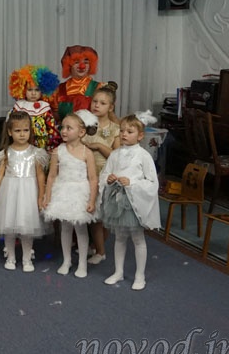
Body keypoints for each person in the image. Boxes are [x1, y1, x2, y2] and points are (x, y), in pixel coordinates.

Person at [99, 113, 161, 291]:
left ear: (140, 136)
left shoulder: (143, 156)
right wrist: (109, 178)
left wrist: (132, 182)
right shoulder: (115, 154)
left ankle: (140, 275)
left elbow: (152, 182)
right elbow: (105, 173)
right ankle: (118, 271)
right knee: (119, 237)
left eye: (129, 131)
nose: (124, 134)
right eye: (122, 131)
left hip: (134, 203)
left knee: (138, 238)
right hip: (117, 201)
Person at [0, 112, 49, 272]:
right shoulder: (6, 153)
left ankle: (27, 258)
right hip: (9, 193)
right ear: (9, 132)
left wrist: (41, 195)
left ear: (30, 131)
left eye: (26, 130)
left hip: (29, 193)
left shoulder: (35, 152)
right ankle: (11, 256)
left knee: (27, 226)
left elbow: (40, 175)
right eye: (18, 131)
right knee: (9, 226)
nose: (22, 134)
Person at [42, 111, 99, 278]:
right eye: (62, 127)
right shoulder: (58, 151)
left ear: (81, 132)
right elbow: (52, 176)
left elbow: (93, 178)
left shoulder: (87, 153)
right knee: (65, 228)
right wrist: (47, 196)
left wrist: (92, 200)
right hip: (63, 191)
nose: (64, 131)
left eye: (69, 128)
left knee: (80, 228)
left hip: (80, 193)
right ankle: (66, 260)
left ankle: (82, 263)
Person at [81, 83, 121, 265]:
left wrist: (99, 146)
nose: (97, 105)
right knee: (91, 214)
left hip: (104, 176)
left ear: (111, 107)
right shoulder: (85, 124)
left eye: (102, 103)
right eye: (95, 101)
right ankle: (96, 246)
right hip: (85, 174)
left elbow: (117, 156)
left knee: (101, 217)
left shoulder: (115, 129)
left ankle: (100, 251)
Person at [9, 64, 61, 150]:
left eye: (37, 90)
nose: (33, 93)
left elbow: (51, 127)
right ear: (23, 90)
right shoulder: (19, 106)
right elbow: (11, 125)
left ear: (43, 91)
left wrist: (51, 145)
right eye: (30, 90)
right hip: (22, 142)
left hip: (41, 145)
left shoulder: (44, 107)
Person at [49, 45, 101, 122]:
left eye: (86, 62)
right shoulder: (59, 90)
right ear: (69, 65)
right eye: (76, 62)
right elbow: (54, 118)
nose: (82, 66)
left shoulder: (98, 88)